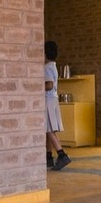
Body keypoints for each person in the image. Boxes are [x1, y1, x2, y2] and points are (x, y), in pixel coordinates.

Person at [44, 41, 71, 170]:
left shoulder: (47, 67)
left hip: (48, 100)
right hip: (52, 100)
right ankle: (48, 157)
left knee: (49, 130)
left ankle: (61, 154)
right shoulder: (53, 66)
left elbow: (48, 85)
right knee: (48, 129)